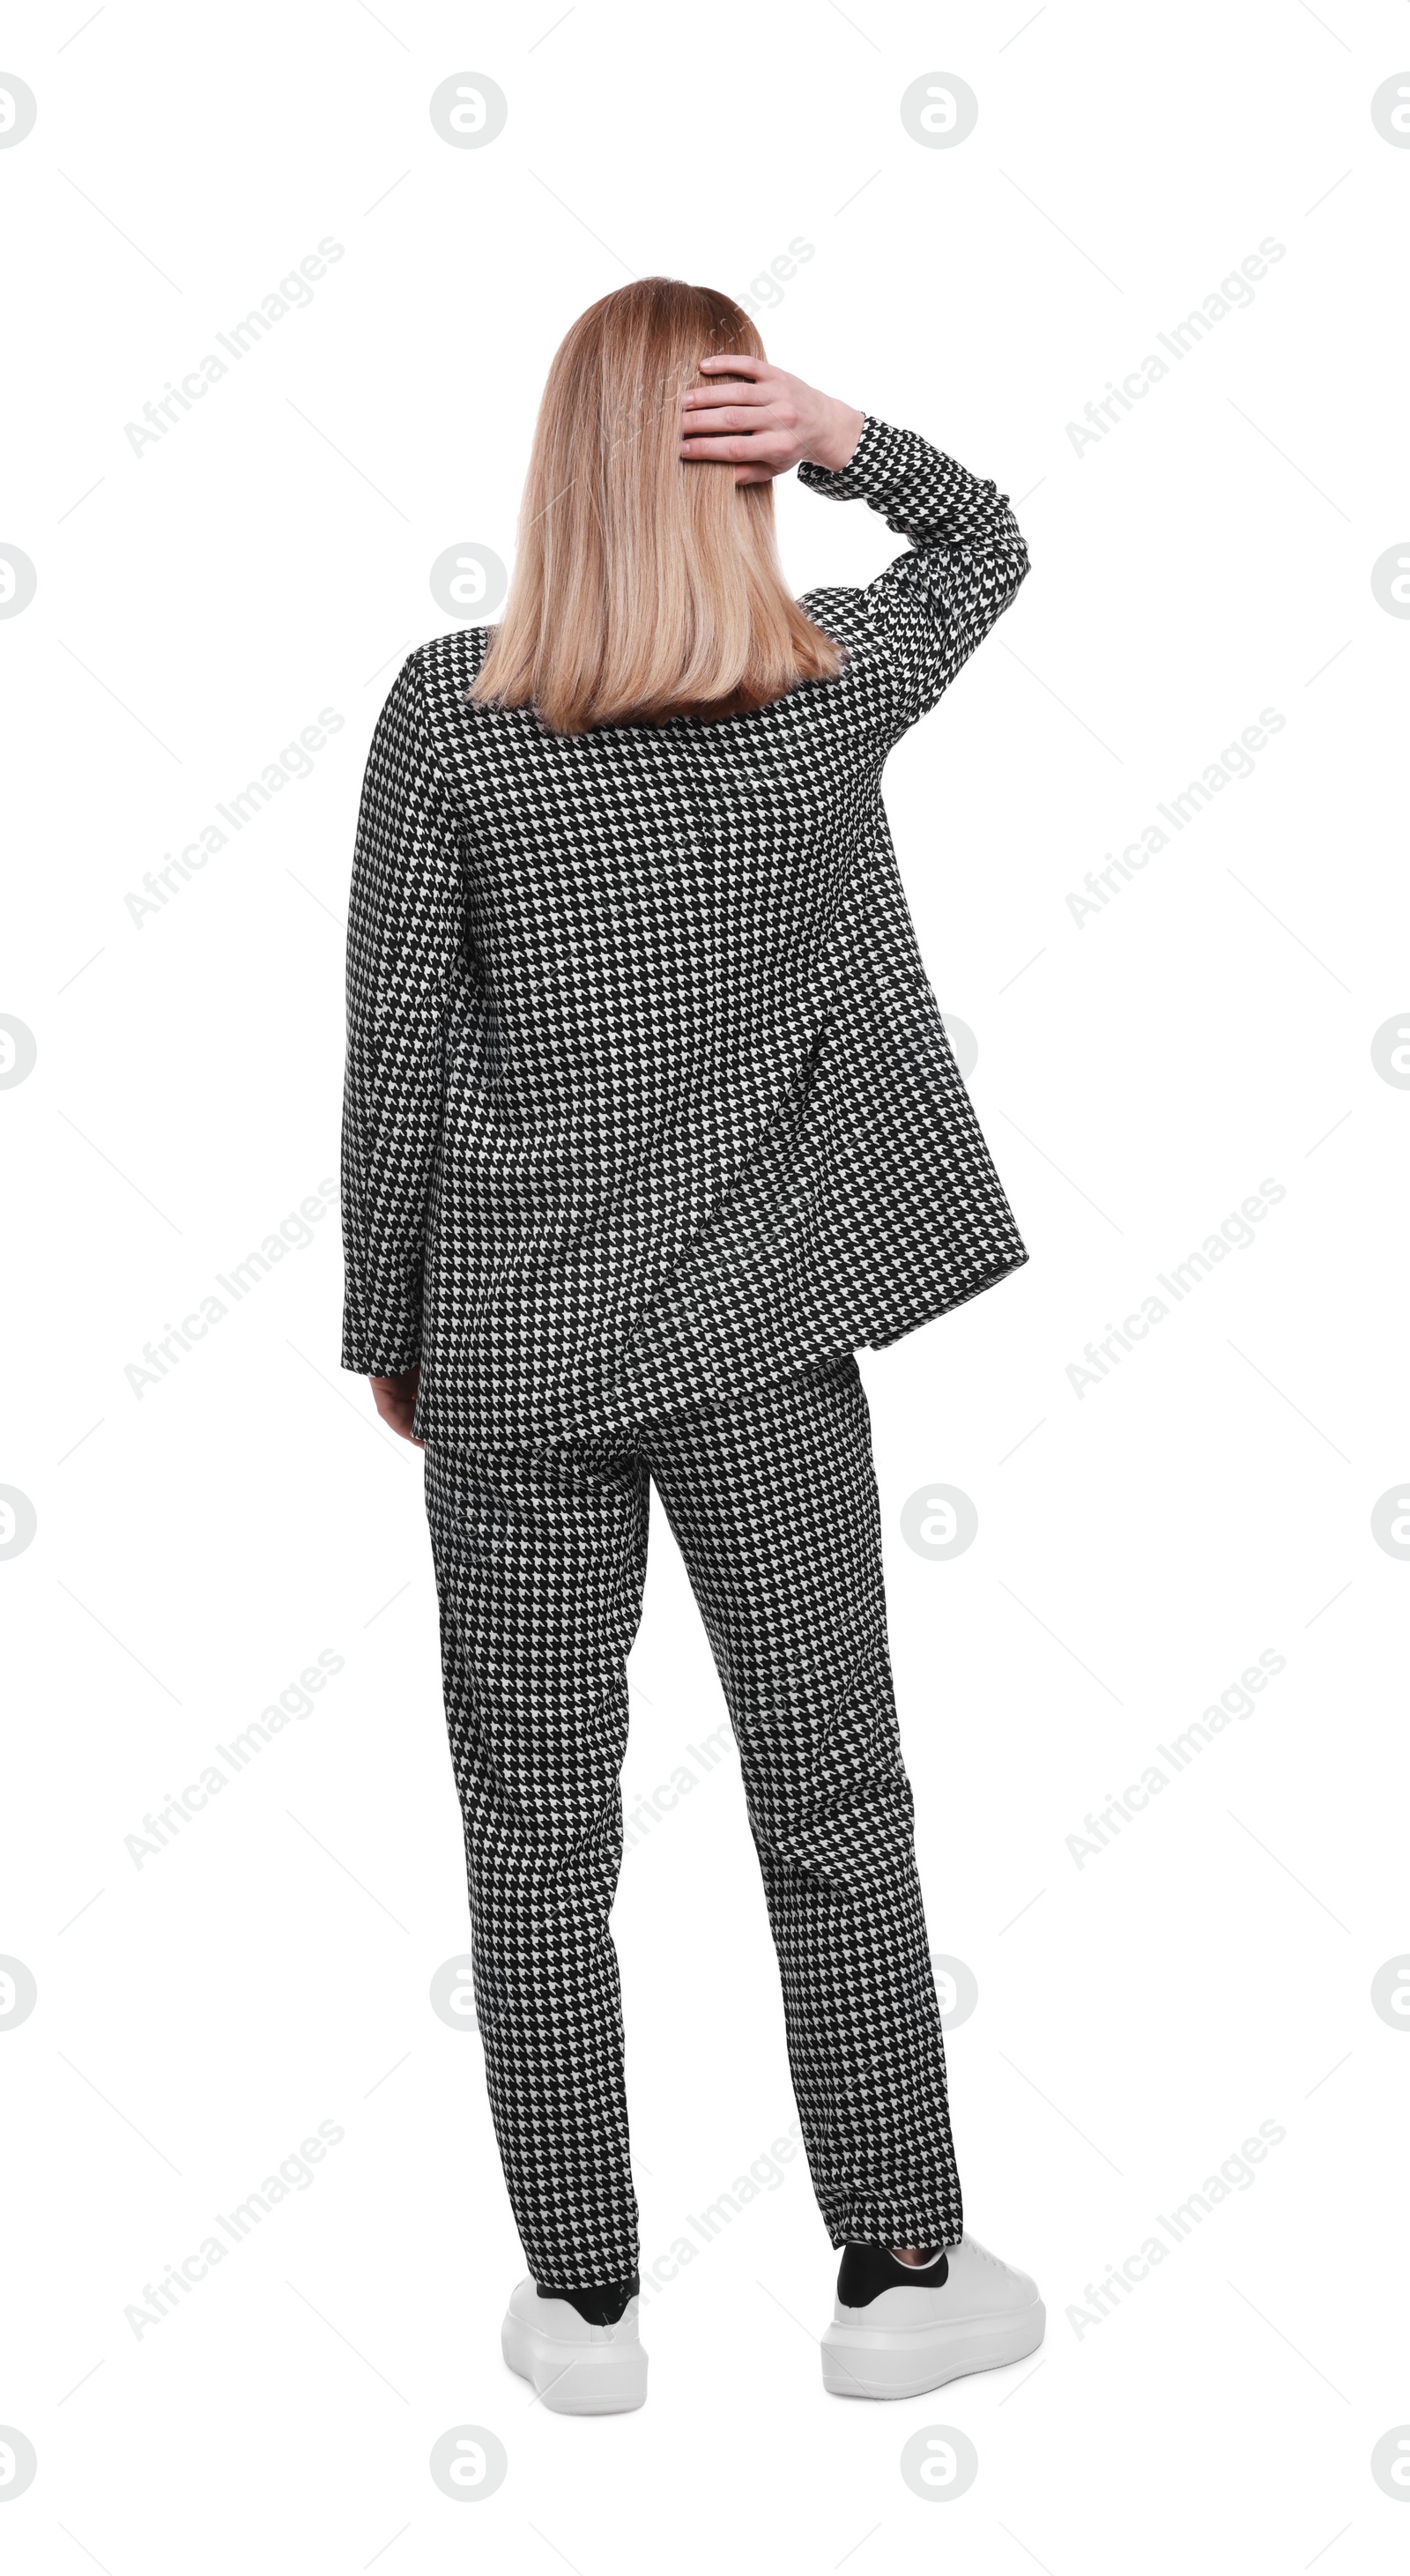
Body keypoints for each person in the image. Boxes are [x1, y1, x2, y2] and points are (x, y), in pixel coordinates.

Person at [339, 277, 1045, 2415]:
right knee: (832, 1798)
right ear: (728, 471)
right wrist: (839, 432)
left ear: (558, 466)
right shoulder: (824, 694)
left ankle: (583, 2304)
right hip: (760, 1358)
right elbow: (991, 539)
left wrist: (391, 1325)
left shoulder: (444, 709)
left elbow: (395, 1050)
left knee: (534, 1834)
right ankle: (895, 2267)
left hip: (510, 1365)